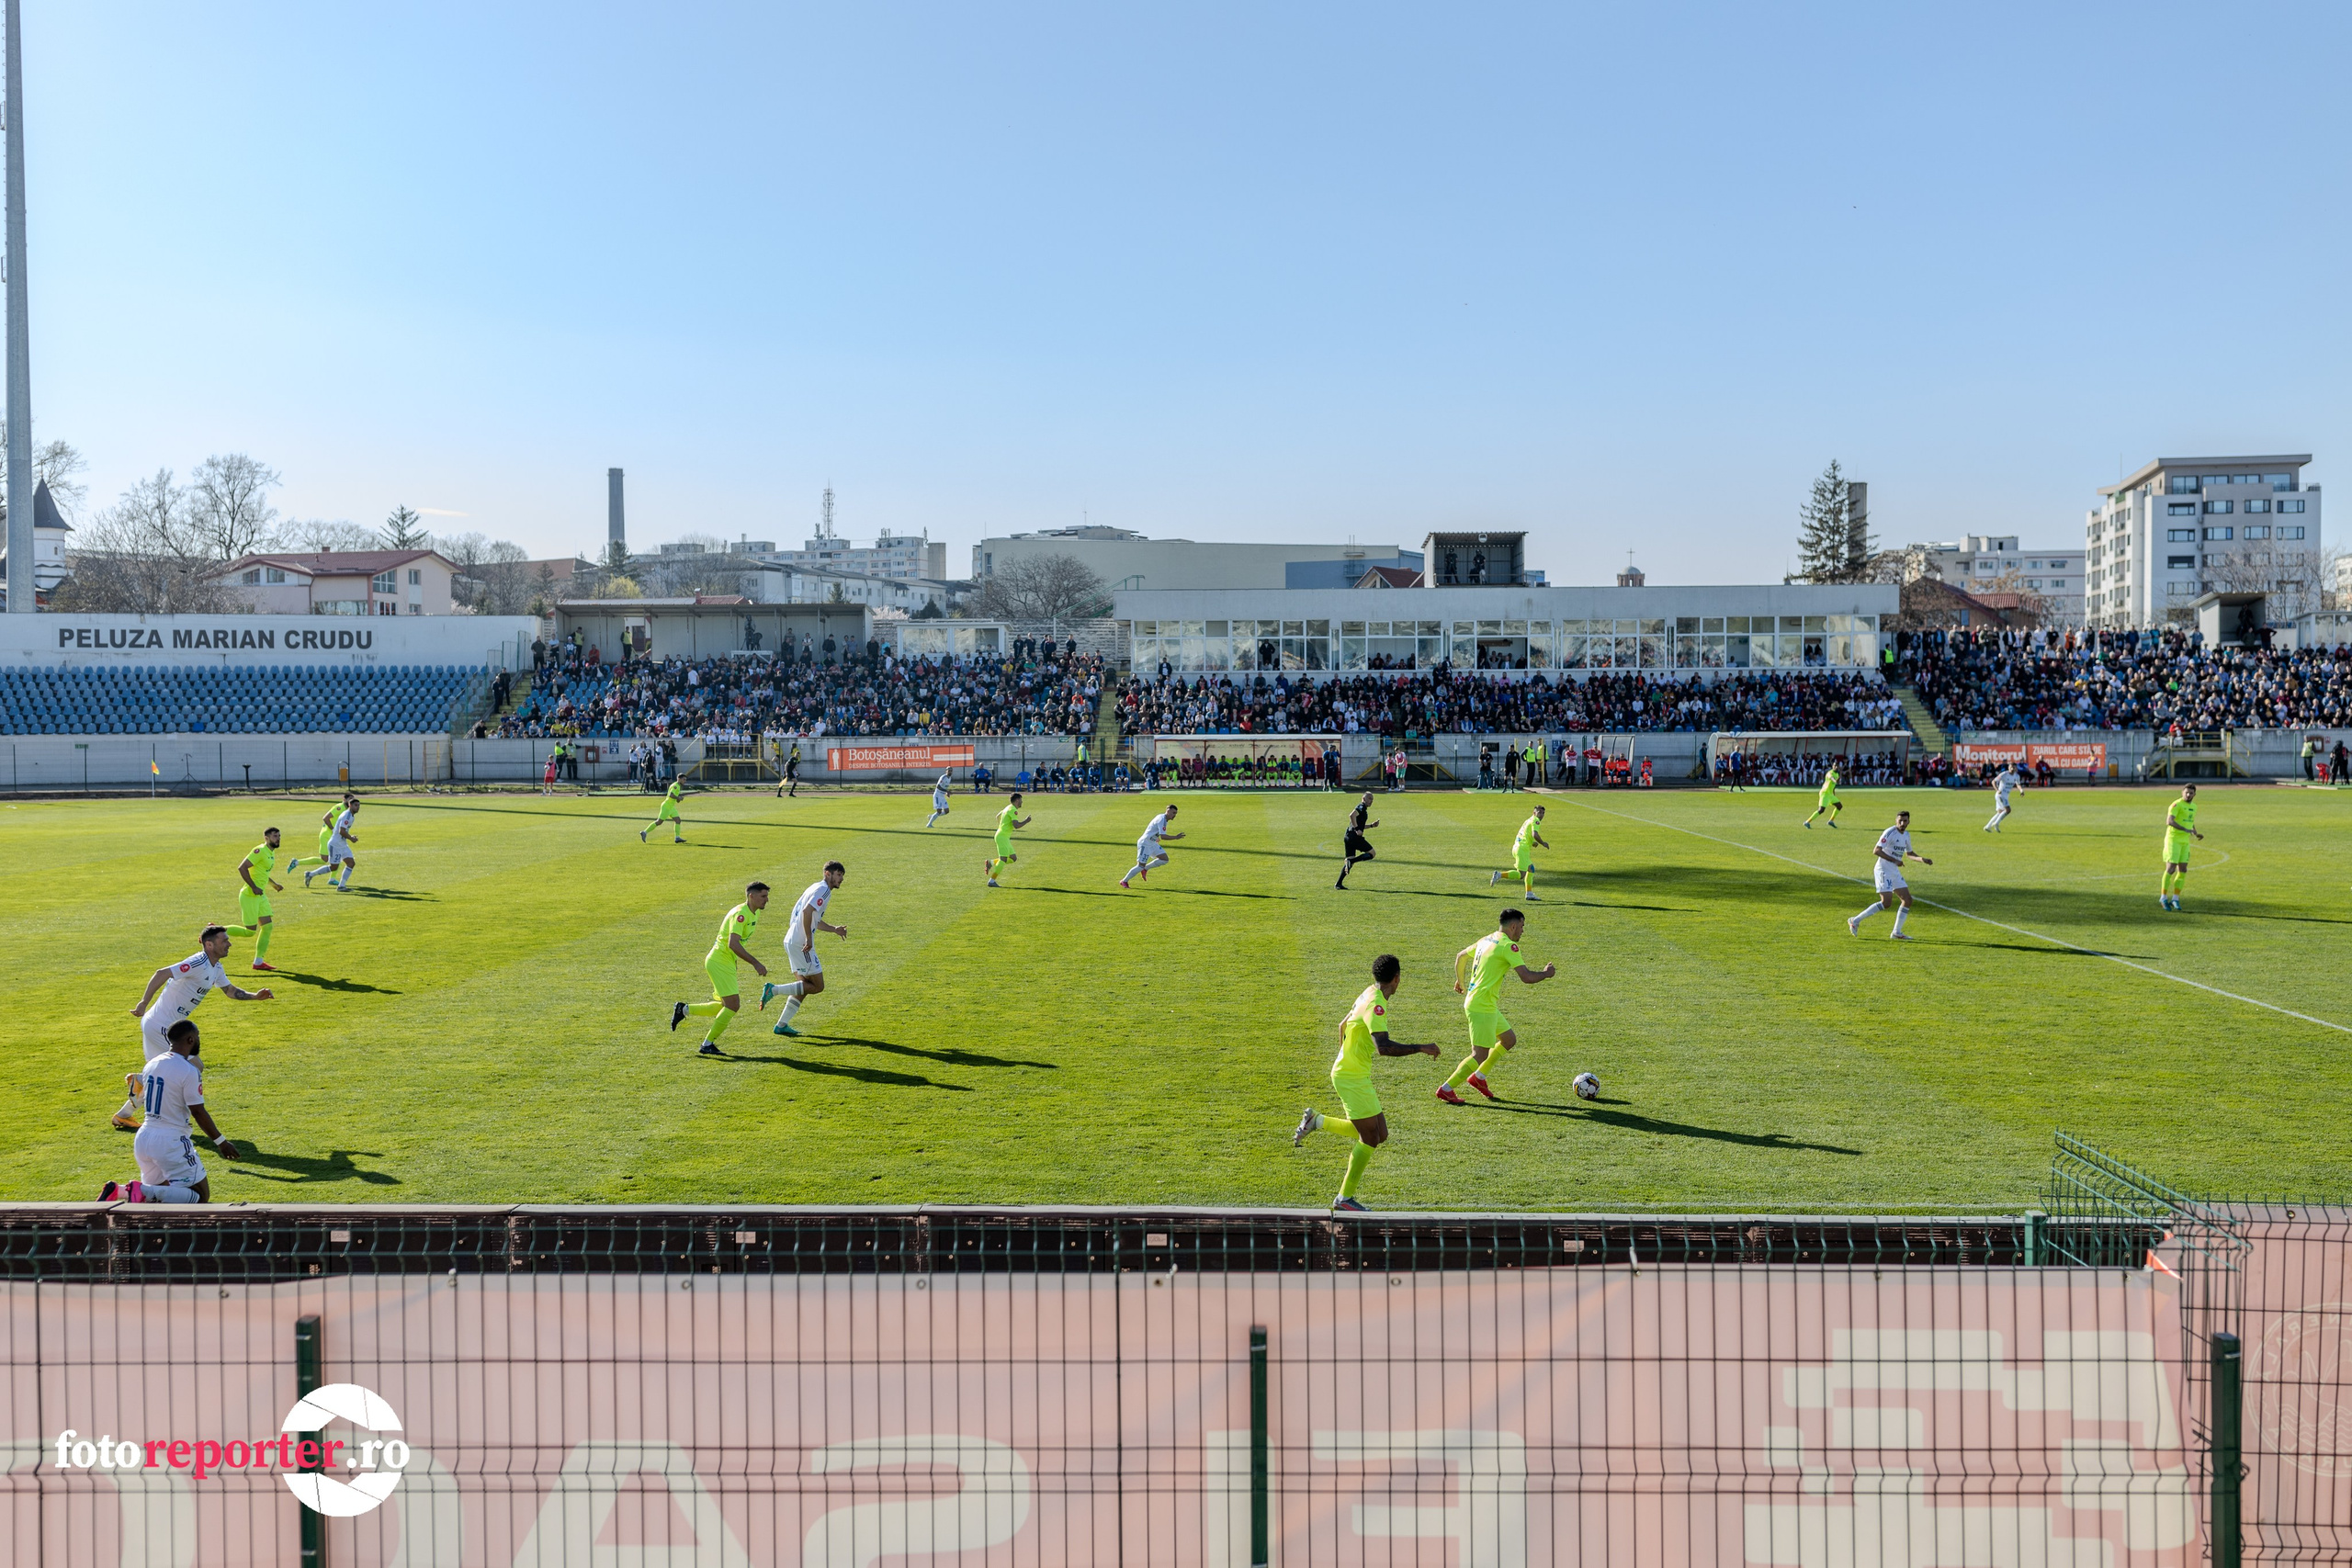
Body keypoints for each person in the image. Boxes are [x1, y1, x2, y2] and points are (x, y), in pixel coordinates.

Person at [1289, 953, 1439, 1213]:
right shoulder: (1376, 1004)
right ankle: (1344, 1199)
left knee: (1380, 1134)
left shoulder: (1367, 992)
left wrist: (1345, 1057)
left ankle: (1317, 1120)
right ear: (1397, 978)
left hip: (1353, 1073)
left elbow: (1342, 1024)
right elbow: (1383, 1047)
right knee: (1369, 1137)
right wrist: (1421, 1047)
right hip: (1351, 1077)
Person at [116, 925, 273, 1130]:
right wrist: (144, 1002)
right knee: (194, 1066)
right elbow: (162, 973)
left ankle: (124, 1114)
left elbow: (229, 990)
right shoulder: (198, 962)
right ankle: (177, 1116)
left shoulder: (216, 968)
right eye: (224, 940)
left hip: (160, 1025)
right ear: (209, 945)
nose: (229, 943)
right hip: (162, 1026)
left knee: (158, 1074)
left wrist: (254, 996)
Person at [101, 1021, 240, 1203]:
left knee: (160, 1197)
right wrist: (221, 1142)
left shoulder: (152, 1064)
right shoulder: (189, 1070)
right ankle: (134, 1191)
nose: (198, 1040)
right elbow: (197, 1111)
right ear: (191, 1039)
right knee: (199, 1196)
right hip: (170, 1141)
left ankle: (119, 1191)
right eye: (197, 1036)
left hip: (144, 1138)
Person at [1437, 908, 1556, 1104]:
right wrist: (1546, 974)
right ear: (1513, 926)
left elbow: (1461, 956)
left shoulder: (1487, 939)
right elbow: (1526, 977)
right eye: (1522, 927)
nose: (1523, 932)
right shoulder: (1508, 947)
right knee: (1480, 1053)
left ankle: (1479, 1077)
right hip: (1482, 1006)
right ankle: (1446, 1088)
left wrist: (1460, 982)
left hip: (1483, 1003)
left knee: (1509, 1039)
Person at [671, 882, 769, 1056]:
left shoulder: (754, 913)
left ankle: (684, 1009)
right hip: (720, 961)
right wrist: (755, 963)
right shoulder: (741, 914)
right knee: (733, 1005)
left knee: (724, 1006)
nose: (766, 900)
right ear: (751, 896)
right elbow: (733, 944)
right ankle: (707, 1044)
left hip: (725, 962)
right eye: (763, 896)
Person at [762, 862, 848, 1036]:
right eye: (838, 874)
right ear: (827, 874)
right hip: (802, 943)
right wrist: (808, 938)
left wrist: (834, 929)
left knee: (803, 987)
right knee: (817, 986)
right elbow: (807, 912)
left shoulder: (815, 888)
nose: (841, 879)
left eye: (842, 876)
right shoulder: (823, 890)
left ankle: (781, 1025)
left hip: (792, 940)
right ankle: (774, 989)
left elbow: (810, 916)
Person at [1849, 808, 1931, 940]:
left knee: (1907, 900)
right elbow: (1876, 850)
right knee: (1886, 903)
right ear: (1896, 821)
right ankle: (1855, 920)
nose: (1902, 823)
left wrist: (1922, 859)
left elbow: (1909, 854)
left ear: (1909, 821)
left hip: (1894, 870)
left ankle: (1896, 932)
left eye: (1905, 821)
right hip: (1883, 870)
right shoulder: (1890, 832)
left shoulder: (1906, 835)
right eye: (1900, 821)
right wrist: (1895, 860)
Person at [220, 828, 286, 972]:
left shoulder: (270, 853)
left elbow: (262, 873)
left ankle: (258, 962)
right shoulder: (260, 851)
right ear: (266, 838)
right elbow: (242, 868)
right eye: (275, 836)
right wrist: (254, 887)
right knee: (249, 932)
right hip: (250, 895)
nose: (278, 838)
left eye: (279, 836)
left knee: (267, 927)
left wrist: (274, 885)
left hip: (260, 896)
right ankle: (214, 930)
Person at [1489, 804, 1550, 899]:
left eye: (1543, 813)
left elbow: (1525, 834)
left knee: (1531, 869)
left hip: (1517, 847)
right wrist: (1543, 843)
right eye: (1539, 812)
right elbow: (1534, 834)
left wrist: (1532, 843)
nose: (1541, 815)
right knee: (1521, 875)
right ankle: (1499, 875)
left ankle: (1529, 893)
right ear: (1534, 813)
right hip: (1522, 850)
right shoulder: (1536, 821)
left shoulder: (1528, 820)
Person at [2160, 783, 2202, 911]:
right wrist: (2184, 829)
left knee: (2183, 869)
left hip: (2185, 841)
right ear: (2182, 792)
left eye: (2191, 793)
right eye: (2186, 792)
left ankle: (2175, 899)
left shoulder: (2194, 807)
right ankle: (2163, 897)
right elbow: (2170, 821)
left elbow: (2190, 821)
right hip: (2173, 840)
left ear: (2195, 794)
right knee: (2171, 868)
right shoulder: (2176, 805)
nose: (2188, 795)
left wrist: (2195, 832)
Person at [1119, 804, 1182, 889]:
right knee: (1140, 866)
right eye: (1173, 813)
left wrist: (1156, 837)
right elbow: (1163, 836)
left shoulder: (1163, 818)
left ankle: (1146, 869)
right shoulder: (1162, 819)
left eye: (1175, 814)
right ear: (1168, 811)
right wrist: (1176, 837)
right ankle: (1124, 881)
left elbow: (1153, 828)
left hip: (1152, 843)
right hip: (1145, 843)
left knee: (1164, 859)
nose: (1174, 815)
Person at [303, 798, 360, 889]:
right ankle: (310, 874)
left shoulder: (351, 815)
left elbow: (343, 830)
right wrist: (351, 838)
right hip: (336, 844)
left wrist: (349, 837)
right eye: (355, 805)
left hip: (342, 844)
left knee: (351, 863)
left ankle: (341, 886)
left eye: (358, 805)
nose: (358, 807)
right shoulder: (347, 816)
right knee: (333, 867)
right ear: (350, 805)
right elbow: (341, 831)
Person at [986, 793, 1031, 886]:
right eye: (1021, 800)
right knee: (1003, 859)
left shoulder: (1008, 807)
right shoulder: (1013, 810)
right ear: (1017, 800)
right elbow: (1016, 825)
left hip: (1003, 836)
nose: (1022, 802)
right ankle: (992, 881)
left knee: (1013, 858)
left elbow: (997, 816)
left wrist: (1001, 827)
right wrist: (1026, 821)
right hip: (1002, 837)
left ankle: (991, 862)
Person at [1336, 792, 1378, 890]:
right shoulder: (1361, 806)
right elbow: (1351, 815)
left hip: (1348, 836)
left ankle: (1338, 884)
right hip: (1354, 837)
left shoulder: (1363, 809)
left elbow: (1360, 826)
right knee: (1372, 853)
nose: (1371, 801)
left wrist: (1371, 825)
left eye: (1372, 799)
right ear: (1363, 799)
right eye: (1369, 798)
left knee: (1349, 864)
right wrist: (1356, 829)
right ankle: (1351, 861)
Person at [1803, 761, 1844, 829]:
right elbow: (1832, 779)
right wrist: (1835, 781)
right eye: (1835, 766)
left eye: (1837, 766)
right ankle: (1807, 822)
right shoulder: (1830, 773)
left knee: (1839, 806)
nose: (1836, 767)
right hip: (1825, 793)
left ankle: (1831, 821)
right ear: (1832, 766)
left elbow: (1833, 786)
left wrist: (1834, 794)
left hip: (1830, 794)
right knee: (1821, 810)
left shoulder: (1837, 774)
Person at [641, 779, 684, 843]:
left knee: (678, 820)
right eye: (684, 779)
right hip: (667, 806)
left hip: (671, 807)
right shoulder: (675, 786)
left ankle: (677, 837)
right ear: (679, 779)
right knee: (659, 822)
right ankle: (644, 832)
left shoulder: (677, 785)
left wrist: (679, 799)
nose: (685, 781)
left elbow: (674, 797)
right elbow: (671, 795)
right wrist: (678, 798)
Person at [1984, 762, 2023, 833]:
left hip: (2006, 796)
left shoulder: (2017, 776)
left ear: (2015, 768)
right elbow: (1993, 781)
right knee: (2008, 810)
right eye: (2011, 767)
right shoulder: (2004, 774)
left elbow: (2018, 784)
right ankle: (1996, 823)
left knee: (2000, 812)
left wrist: (2021, 790)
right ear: (2008, 767)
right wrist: (1997, 790)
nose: (2012, 768)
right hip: (2000, 795)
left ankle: (1988, 826)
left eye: (2014, 767)